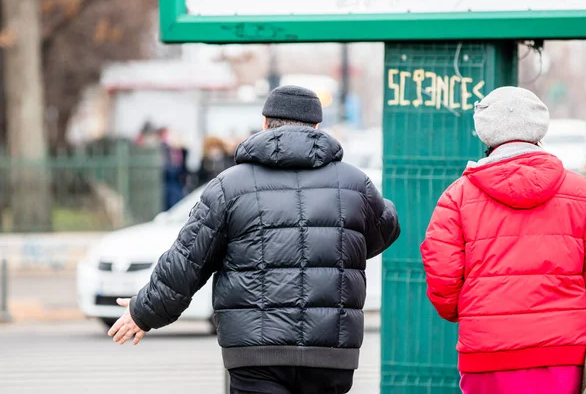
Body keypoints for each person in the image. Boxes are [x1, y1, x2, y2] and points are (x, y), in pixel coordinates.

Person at [107, 85, 400, 394]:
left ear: (265, 124)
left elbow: (187, 261)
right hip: (330, 352)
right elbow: (387, 228)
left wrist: (143, 311)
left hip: (254, 352)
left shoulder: (229, 186)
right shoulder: (355, 184)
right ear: (316, 128)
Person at [421, 86, 586, 394]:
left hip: (486, 351)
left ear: (485, 134)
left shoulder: (457, 197)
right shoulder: (583, 193)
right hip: (565, 351)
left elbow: (443, 278)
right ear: (538, 130)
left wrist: (465, 310)